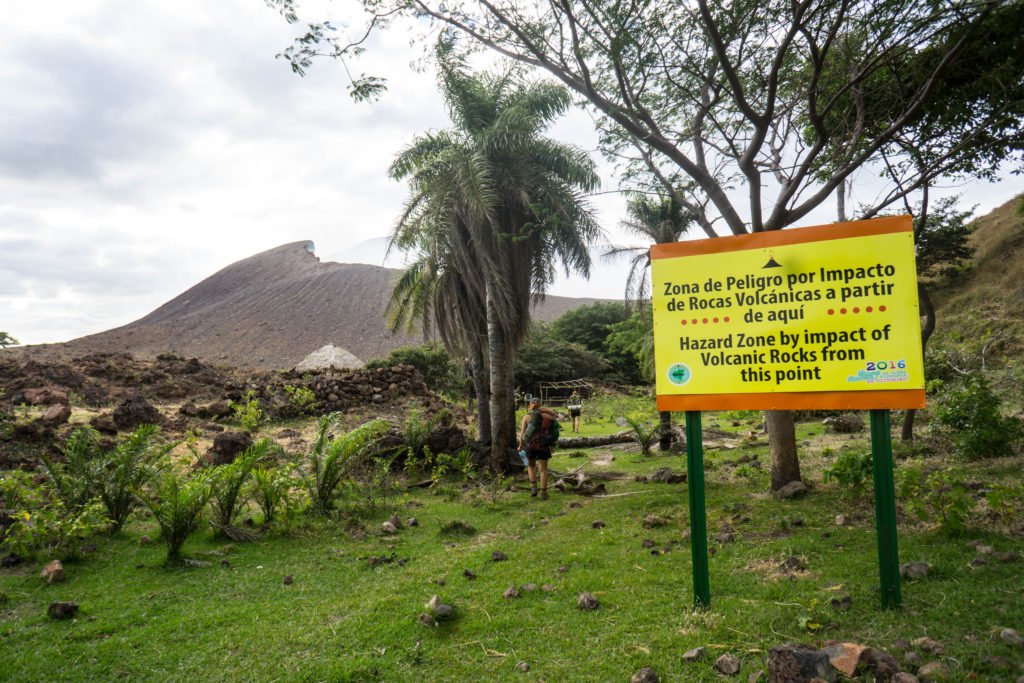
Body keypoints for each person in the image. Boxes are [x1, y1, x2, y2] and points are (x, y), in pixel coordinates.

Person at [519, 400, 556, 500]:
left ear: (530, 407)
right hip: (544, 446)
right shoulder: (547, 417)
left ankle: (533, 488)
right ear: (540, 407)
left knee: (531, 466)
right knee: (543, 470)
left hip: (531, 445)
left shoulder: (526, 417)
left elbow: (522, 433)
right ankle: (543, 493)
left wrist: (520, 445)